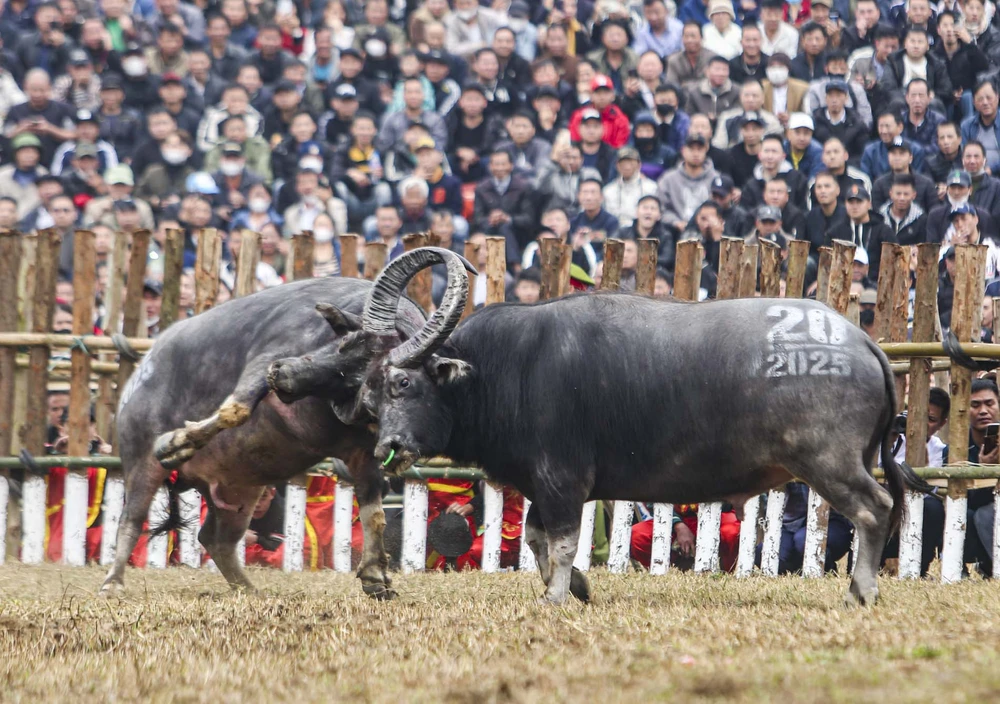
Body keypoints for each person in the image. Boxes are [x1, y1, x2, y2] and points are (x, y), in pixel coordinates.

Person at [656, 132, 718, 236]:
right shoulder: (668, 179)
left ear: (706, 150)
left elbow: (722, 207)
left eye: (699, 149)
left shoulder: (715, 178)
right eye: (691, 149)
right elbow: (660, 208)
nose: (695, 153)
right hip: (675, 233)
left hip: (709, 232)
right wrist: (675, 222)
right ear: (683, 150)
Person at [740, 134, 808, 211]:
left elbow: (803, 209)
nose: (770, 156)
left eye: (774, 151)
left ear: (783, 156)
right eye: (766, 151)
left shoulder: (797, 178)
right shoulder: (751, 185)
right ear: (759, 155)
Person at [869, 137, 937, 214]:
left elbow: (933, 213)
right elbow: (877, 213)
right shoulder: (879, 184)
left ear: (910, 158)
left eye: (901, 153)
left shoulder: (926, 183)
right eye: (893, 153)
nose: (897, 158)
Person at [844, 183, 896, 282]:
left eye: (859, 202)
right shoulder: (836, 231)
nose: (855, 206)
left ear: (869, 204)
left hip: (877, 284)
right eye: (851, 202)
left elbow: (893, 262)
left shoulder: (884, 231)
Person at [861, 111, 927, 181]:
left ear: (900, 127)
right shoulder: (870, 151)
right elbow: (866, 179)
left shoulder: (915, 150)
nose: (884, 131)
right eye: (881, 126)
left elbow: (918, 179)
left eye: (887, 126)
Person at [602, 146, 658, 228]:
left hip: (642, 231)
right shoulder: (608, 190)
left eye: (631, 162)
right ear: (617, 165)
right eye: (623, 162)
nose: (627, 166)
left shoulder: (651, 188)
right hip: (615, 232)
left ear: (639, 165)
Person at [804, 170, 851, 255]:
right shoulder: (809, 217)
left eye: (827, 186)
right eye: (819, 187)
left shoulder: (848, 215)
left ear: (837, 190)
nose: (823, 191)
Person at [877, 173, 927, 246]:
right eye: (898, 194)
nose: (902, 198)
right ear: (891, 194)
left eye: (906, 194)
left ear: (914, 195)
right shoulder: (879, 218)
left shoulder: (921, 219)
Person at [761, 53, 809, 127]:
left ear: (788, 69)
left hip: (793, 128)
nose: (776, 71)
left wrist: (791, 117)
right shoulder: (761, 87)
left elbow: (807, 113)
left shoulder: (802, 88)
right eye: (772, 67)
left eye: (780, 67)